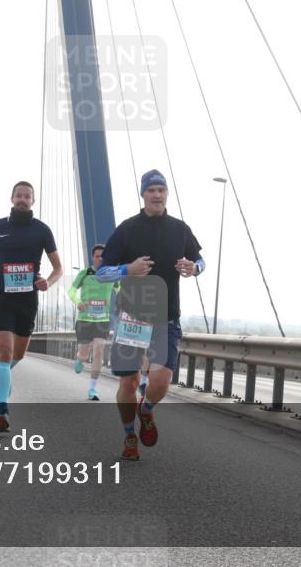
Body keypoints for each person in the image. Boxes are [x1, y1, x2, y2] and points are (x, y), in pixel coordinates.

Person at [96, 169, 205, 461]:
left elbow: (200, 259)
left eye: (161, 190)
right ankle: (129, 435)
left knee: (160, 382)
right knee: (128, 383)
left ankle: (145, 411)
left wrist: (195, 268)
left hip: (166, 319)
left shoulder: (180, 229)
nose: (157, 195)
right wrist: (127, 269)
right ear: (143, 195)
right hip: (131, 320)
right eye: (151, 190)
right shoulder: (127, 229)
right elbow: (101, 273)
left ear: (167, 194)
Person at [0, 181, 63, 432]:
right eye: (19, 196)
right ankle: (3, 410)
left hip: (27, 300)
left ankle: (3, 376)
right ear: (12, 199)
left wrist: (49, 282)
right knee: (4, 352)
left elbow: (58, 267)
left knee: (18, 355)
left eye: (27, 196)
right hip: (2, 297)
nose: (23, 200)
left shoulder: (42, 230)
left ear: (33, 201)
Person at [69, 244, 118, 400]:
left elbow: (121, 291)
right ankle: (80, 359)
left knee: (99, 349)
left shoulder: (112, 275)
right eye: (97, 256)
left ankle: (92, 389)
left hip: (102, 320)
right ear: (93, 257)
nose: (100, 259)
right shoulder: (85, 273)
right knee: (84, 354)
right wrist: (78, 302)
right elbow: (71, 290)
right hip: (84, 320)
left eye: (103, 256)